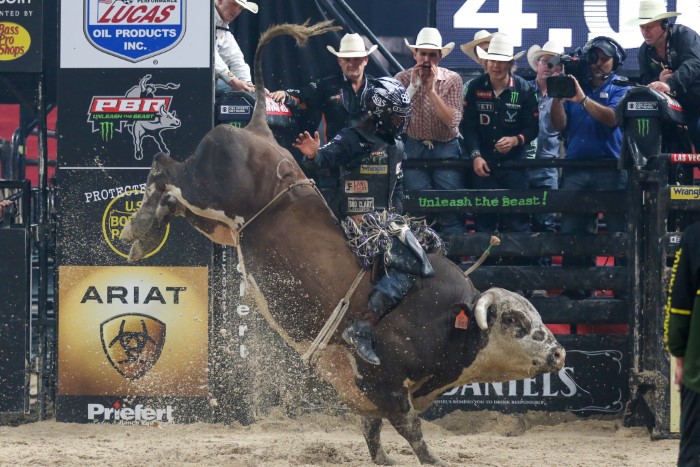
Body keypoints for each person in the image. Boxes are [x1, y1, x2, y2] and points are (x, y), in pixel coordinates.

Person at [293, 77, 434, 366]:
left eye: (403, 117)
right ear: (380, 113)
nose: (401, 122)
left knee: (429, 250)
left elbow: (398, 186)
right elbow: (325, 158)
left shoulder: (397, 145)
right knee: (411, 263)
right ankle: (363, 325)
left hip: (387, 221)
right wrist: (313, 156)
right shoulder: (352, 137)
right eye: (397, 117)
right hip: (356, 221)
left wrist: (396, 218)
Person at [549, 36, 630, 298]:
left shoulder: (622, 88)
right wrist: (558, 98)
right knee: (573, 232)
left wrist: (582, 99)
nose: (598, 63)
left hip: (612, 169)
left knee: (619, 232)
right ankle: (577, 290)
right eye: (594, 58)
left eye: (605, 58)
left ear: (615, 62)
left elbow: (613, 118)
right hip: (576, 167)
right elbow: (559, 125)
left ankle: (623, 290)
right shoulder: (575, 86)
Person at [270, 33, 379, 212]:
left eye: (357, 59)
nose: (352, 63)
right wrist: (286, 95)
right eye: (347, 59)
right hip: (334, 163)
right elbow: (302, 96)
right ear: (339, 61)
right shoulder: (327, 85)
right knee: (332, 214)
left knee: (373, 214)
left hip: (370, 163)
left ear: (366, 60)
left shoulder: (378, 88)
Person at [460, 33, 538, 237]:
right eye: (492, 60)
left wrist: (515, 140)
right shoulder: (475, 87)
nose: (496, 66)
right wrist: (476, 156)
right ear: (486, 61)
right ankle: (484, 259)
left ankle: (519, 258)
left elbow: (533, 128)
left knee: (518, 221)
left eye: (502, 61)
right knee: (483, 221)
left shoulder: (524, 88)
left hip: (515, 165)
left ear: (510, 63)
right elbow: (468, 127)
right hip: (483, 164)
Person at [394, 27, 466, 237]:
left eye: (432, 55)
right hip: (414, 146)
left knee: (450, 207)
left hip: (446, 146)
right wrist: (413, 87)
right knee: (417, 208)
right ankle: (422, 253)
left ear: (440, 57)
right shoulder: (401, 78)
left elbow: (453, 121)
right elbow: (394, 117)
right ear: (414, 54)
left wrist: (431, 90)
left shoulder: (452, 79)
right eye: (422, 54)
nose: (426, 60)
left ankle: (455, 253)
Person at [632, 0, 700, 151]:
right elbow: (645, 80)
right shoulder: (644, 51)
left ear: (664, 24)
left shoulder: (684, 35)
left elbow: (694, 63)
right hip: (671, 111)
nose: (645, 32)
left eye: (649, 27)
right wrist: (658, 80)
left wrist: (669, 84)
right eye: (642, 27)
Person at [664, 221, 700, 466]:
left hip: (698, 368)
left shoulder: (695, 236)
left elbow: (679, 305)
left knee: (694, 451)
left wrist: (679, 354)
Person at [526, 41, 564, 235]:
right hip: (521, 163)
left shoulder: (565, 95)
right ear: (537, 64)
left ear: (560, 68)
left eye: (554, 63)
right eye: (544, 61)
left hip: (548, 165)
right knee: (518, 221)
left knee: (546, 223)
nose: (548, 67)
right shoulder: (522, 89)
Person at [214, 0, 257, 96]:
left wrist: (249, 85)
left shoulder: (223, 26)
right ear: (220, 1)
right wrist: (233, 80)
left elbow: (235, 58)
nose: (236, 11)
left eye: (240, 8)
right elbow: (208, 55)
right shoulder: (203, 18)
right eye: (233, 4)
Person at [460, 30, 494, 98]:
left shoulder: (516, 84)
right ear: (477, 59)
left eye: (487, 50)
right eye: (480, 53)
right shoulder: (469, 87)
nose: (485, 55)